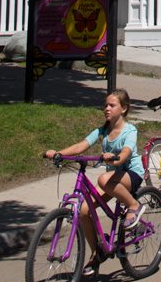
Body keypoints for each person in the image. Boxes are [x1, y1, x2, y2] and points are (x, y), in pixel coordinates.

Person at [45, 88, 144, 270]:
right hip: (114, 178)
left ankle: (134, 206)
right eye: (105, 105)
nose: (107, 108)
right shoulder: (102, 130)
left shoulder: (130, 130)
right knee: (83, 210)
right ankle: (97, 251)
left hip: (132, 174)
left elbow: (126, 152)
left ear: (123, 109)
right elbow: (81, 145)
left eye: (112, 105)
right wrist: (58, 153)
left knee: (104, 179)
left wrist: (115, 159)